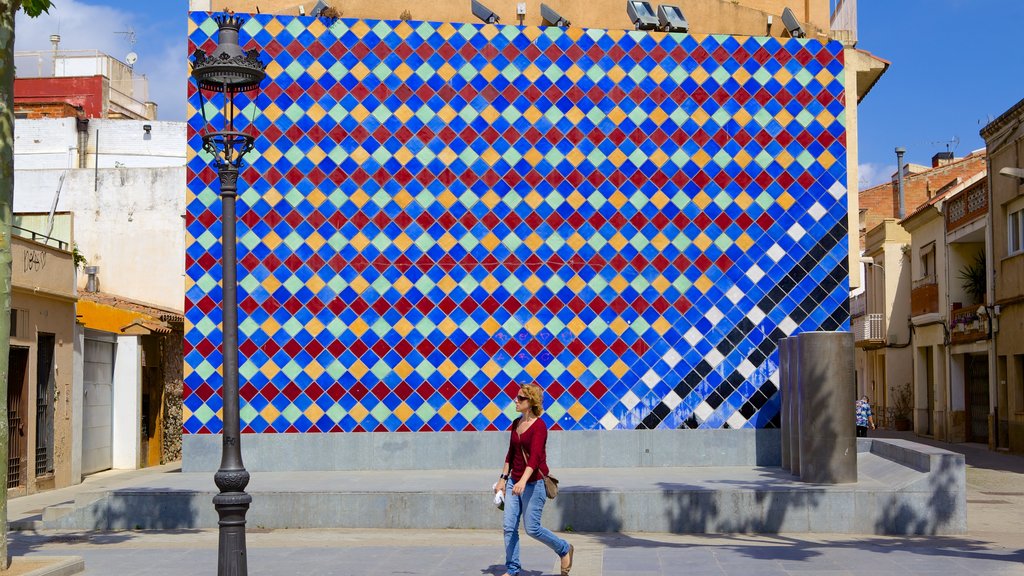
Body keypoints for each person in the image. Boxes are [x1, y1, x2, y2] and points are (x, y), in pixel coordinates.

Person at [495, 383, 573, 576]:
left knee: (532, 528)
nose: (516, 400)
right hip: (514, 482)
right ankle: (513, 569)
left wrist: (523, 481)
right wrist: (503, 480)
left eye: (520, 398)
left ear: (531, 402)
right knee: (508, 527)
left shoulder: (540, 426)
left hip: (534, 483)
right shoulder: (515, 423)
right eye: (517, 397)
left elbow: (536, 457)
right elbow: (510, 455)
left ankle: (564, 548)